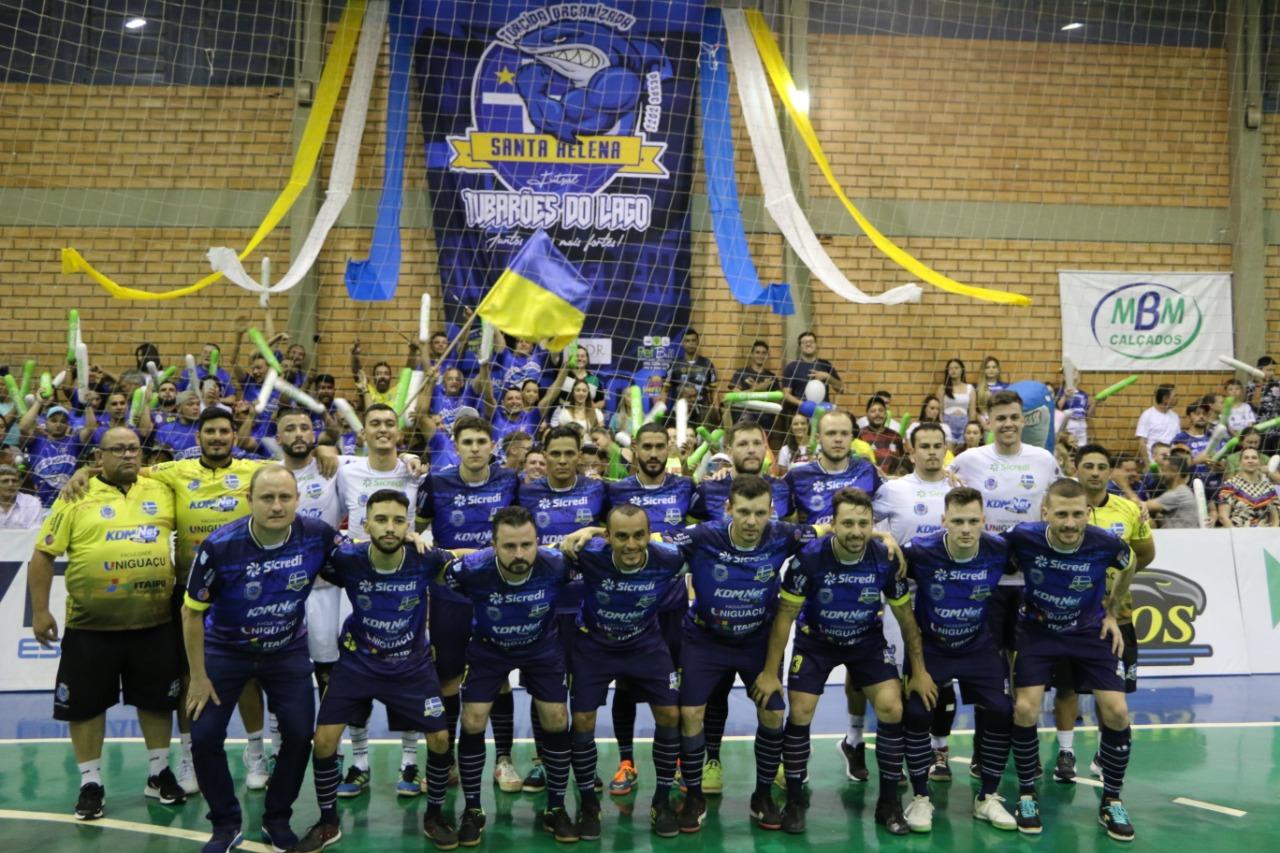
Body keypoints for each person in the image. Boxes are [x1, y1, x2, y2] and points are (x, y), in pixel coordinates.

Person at [183, 465, 342, 853]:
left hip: (286, 651)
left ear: (297, 500)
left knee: (300, 733)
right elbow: (191, 613)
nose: (276, 506)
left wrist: (409, 538)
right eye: (267, 498)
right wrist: (199, 676)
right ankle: (225, 825)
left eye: (284, 497)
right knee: (203, 737)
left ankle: (276, 818)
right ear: (249, 500)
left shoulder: (317, 536)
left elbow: (361, 560)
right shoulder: (219, 545)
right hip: (225, 650)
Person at [291, 490, 461, 852]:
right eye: (381, 519)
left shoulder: (425, 558)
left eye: (399, 521)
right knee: (323, 741)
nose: (390, 527)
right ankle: (327, 821)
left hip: (411, 666)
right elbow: (309, 546)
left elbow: (462, 560)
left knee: (442, 739)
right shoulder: (348, 558)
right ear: (365, 524)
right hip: (357, 663)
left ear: (410, 525)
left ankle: (434, 815)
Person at [28, 426, 184, 820]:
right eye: (118, 450)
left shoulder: (161, 488)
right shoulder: (76, 495)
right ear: (99, 458)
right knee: (84, 707)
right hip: (90, 626)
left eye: (134, 449)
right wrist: (40, 611)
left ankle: (158, 771)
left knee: (156, 700)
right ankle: (90, 781)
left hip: (154, 621)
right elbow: (44, 555)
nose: (129, 455)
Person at [751, 487, 926, 836]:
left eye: (864, 523)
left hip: (866, 641)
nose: (857, 531)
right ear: (833, 524)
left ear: (873, 524)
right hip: (816, 643)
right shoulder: (809, 558)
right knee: (799, 711)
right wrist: (770, 673)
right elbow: (784, 617)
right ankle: (797, 801)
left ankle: (888, 803)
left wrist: (919, 671)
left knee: (892, 707)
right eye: (848, 523)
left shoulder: (884, 557)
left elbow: (907, 619)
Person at [654, 475, 820, 833]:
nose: (751, 521)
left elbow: (826, 530)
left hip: (757, 641)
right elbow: (648, 539)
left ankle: (762, 795)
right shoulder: (702, 536)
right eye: (743, 512)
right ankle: (694, 794)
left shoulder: (783, 534)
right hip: (704, 639)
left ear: (771, 512)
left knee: (773, 711)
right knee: (691, 713)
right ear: (727, 509)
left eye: (760, 513)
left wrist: (882, 537)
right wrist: (591, 533)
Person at [1004, 478, 1138, 841]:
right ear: (1045, 512)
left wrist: (1112, 612)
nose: (1069, 523)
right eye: (1061, 514)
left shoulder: (1104, 542)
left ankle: (1111, 799)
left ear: (1088, 513)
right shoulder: (1024, 537)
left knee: (1117, 712)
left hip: (1089, 633)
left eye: (1077, 514)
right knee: (1025, 709)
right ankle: (1027, 794)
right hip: (1037, 632)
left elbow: (1131, 561)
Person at [440, 506, 577, 844]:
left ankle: (556, 808)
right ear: (493, 545)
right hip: (488, 648)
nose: (519, 554)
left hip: (541, 647)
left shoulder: (558, 564)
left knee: (557, 718)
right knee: (472, 720)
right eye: (509, 546)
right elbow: (433, 569)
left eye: (527, 545)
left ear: (538, 542)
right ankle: (472, 809)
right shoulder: (472, 569)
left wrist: (589, 532)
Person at [561, 506, 686, 837]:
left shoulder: (669, 557)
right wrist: (584, 532)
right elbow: (540, 552)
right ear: (608, 537)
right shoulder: (588, 553)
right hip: (593, 646)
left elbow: (708, 542)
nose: (631, 544)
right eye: (621, 536)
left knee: (670, 715)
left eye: (638, 535)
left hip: (645, 643)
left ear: (649, 535)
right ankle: (589, 805)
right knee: (584, 721)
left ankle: (661, 801)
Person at [899, 488, 1019, 833]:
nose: (965, 529)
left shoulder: (999, 549)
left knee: (1001, 711)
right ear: (943, 522)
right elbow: (885, 559)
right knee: (918, 713)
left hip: (977, 648)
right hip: (931, 648)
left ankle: (988, 798)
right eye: (957, 521)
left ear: (984, 521)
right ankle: (920, 798)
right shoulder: (921, 550)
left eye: (972, 521)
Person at [417, 415, 521, 793]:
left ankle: (505, 759)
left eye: (482, 441)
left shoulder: (510, 480)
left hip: (496, 594)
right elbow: (416, 527)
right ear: (455, 445)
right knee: (448, 677)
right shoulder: (437, 482)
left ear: (491, 446)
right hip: (450, 596)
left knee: (499, 678)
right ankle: (446, 763)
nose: (475, 448)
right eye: (468, 442)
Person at [784, 408, 884, 779]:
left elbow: (891, 506)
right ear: (817, 438)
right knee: (805, 690)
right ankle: (795, 758)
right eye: (831, 434)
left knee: (859, 672)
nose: (838, 439)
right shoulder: (798, 476)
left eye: (845, 433)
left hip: (861, 582)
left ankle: (854, 740)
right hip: (816, 585)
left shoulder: (869, 471)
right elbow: (780, 520)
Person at [1051, 445, 1155, 783]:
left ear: (1110, 472)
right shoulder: (1063, 508)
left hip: (1117, 616)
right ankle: (1065, 753)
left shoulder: (1128, 510)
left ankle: (1101, 754)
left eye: (1101, 466)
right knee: (1066, 688)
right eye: (1088, 466)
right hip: (1070, 616)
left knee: (1109, 690)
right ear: (1075, 470)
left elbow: (1144, 555)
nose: (1095, 472)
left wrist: (1116, 579)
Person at [603, 421, 695, 795]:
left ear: (669, 448)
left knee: (671, 690)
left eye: (661, 447)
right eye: (648, 447)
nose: (654, 454)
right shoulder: (616, 491)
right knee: (626, 686)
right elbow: (601, 535)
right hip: (630, 608)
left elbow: (708, 531)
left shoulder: (686, 488)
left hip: (672, 608)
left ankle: (672, 762)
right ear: (635, 450)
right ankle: (626, 761)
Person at [515, 425, 607, 792]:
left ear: (580, 457)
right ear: (545, 456)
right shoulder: (526, 492)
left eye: (571, 453)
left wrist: (594, 532)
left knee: (584, 692)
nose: (564, 460)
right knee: (544, 690)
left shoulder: (599, 489)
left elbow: (622, 527)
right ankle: (543, 762)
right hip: (543, 607)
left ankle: (585, 762)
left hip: (588, 606)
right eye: (557, 453)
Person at [17, 397, 89, 506]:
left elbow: (91, 429)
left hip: (69, 502)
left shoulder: (74, 441)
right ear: (46, 422)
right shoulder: (36, 440)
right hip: (40, 504)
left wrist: (88, 405)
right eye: (54, 420)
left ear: (68, 425)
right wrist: (39, 402)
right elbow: (23, 428)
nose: (58, 425)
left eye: (63, 421)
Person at [727, 339, 781, 432]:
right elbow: (735, 396)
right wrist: (757, 389)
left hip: (764, 415)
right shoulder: (741, 373)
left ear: (767, 356)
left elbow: (777, 400)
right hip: (744, 412)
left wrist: (758, 391)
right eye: (757, 352)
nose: (760, 355)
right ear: (751, 354)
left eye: (764, 353)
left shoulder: (771, 377)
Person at [1216, 448, 1278, 527]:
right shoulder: (1230, 486)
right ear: (1240, 462)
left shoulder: (1269, 487)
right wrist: (1237, 536)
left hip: (1265, 535)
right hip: (1238, 534)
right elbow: (1223, 517)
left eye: (1254, 458)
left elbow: (1275, 519)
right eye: (1246, 458)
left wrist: (1272, 534)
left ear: (1260, 462)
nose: (1250, 461)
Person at [782, 331, 843, 409]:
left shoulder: (826, 365)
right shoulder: (792, 367)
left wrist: (827, 377)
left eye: (811, 342)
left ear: (816, 345)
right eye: (804, 342)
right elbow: (786, 395)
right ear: (800, 347)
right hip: (800, 414)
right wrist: (804, 405)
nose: (808, 344)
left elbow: (841, 389)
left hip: (821, 412)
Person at [664, 329, 718, 412]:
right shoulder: (674, 364)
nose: (691, 343)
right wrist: (663, 410)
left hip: (703, 411)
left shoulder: (707, 364)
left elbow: (714, 391)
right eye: (687, 341)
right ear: (683, 343)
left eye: (693, 340)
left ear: (698, 342)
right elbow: (665, 390)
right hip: (680, 410)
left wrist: (716, 410)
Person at [1143, 455, 1200, 528]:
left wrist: (1124, 484)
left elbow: (1142, 506)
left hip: (1181, 538)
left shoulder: (1178, 494)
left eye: (1163, 469)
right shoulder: (1182, 491)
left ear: (1174, 471)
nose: (1159, 473)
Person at [1134, 385, 1180, 466]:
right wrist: (1148, 464)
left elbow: (1177, 441)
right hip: (1154, 463)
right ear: (1165, 398)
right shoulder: (1147, 415)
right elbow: (1142, 443)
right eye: (1175, 396)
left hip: (1171, 464)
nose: (1177, 399)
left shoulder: (1175, 416)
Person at [858, 396, 903, 475]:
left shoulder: (895, 436)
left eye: (881, 410)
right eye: (873, 411)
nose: (877, 414)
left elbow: (902, 460)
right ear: (867, 415)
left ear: (886, 414)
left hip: (894, 481)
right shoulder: (860, 435)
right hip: (871, 480)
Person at [1246, 356, 1280, 452]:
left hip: (1277, 429)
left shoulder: (1277, 384)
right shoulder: (1252, 385)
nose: (1272, 373)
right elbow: (1255, 404)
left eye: (1273, 370)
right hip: (1261, 429)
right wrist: (1259, 384)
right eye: (1268, 370)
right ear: (1259, 370)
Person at [938, 358, 975, 440]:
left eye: (956, 368)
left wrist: (970, 427)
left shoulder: (970, 388)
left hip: (964, 423)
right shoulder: (943, 388)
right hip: (948, 422)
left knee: (963, 449)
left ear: (962, 370)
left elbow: (972, 412)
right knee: (949, 451)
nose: (953, 370)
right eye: (950, 368)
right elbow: (939, 411)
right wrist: (943, 426)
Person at [0, 463, 42, 527]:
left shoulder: (32, 502)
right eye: (5, 481)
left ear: (19, 484)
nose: (10, 484)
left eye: (14, 481)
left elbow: (34, 532)